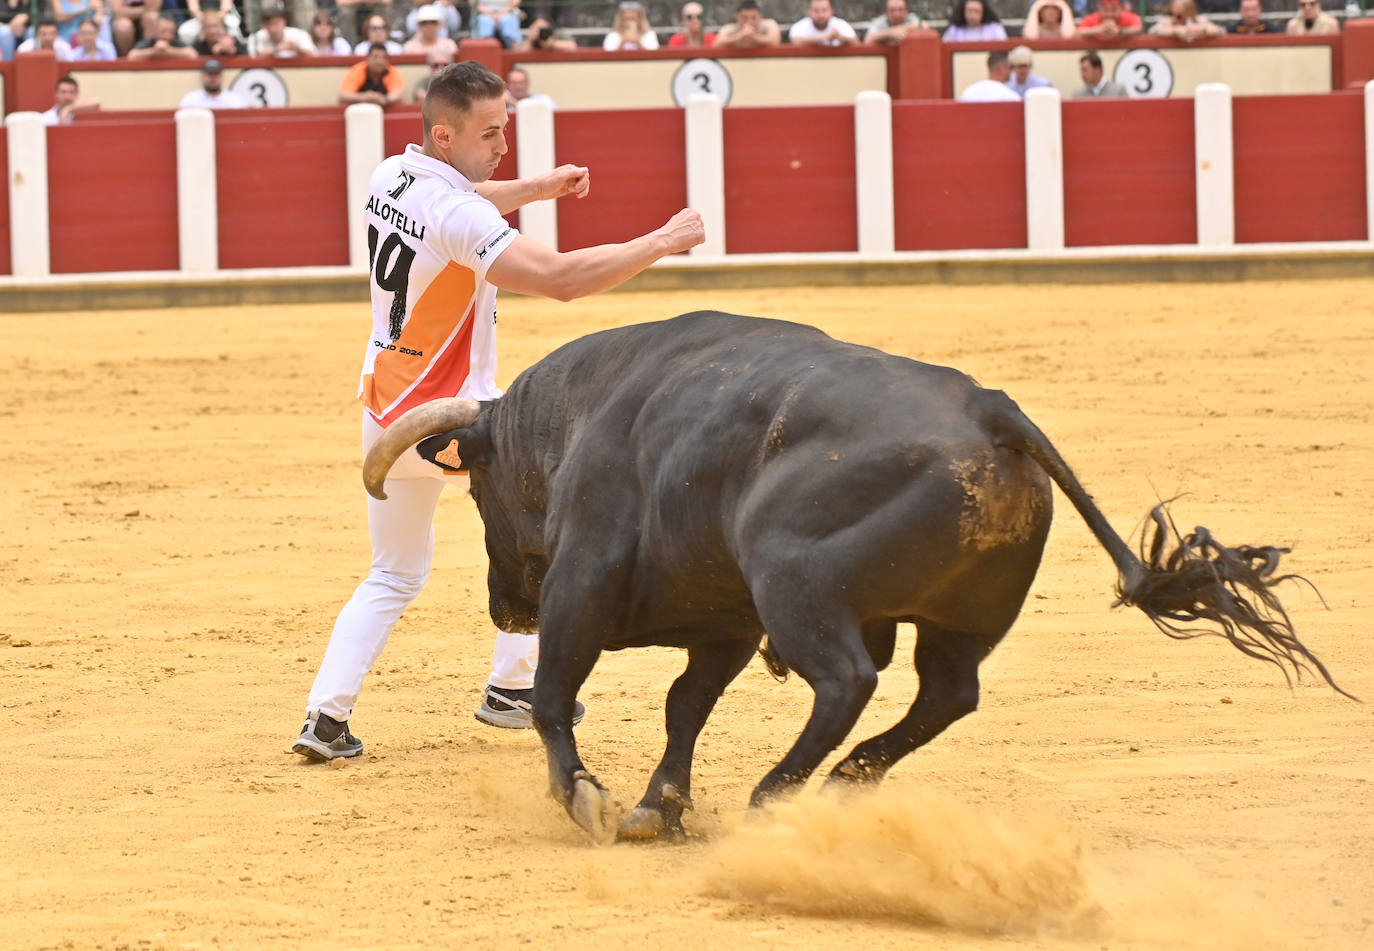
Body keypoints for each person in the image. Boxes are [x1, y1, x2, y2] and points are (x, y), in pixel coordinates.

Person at [291, 60, 705, 761]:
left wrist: (537, 189)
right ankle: (514, 687)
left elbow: (470, 193)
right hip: (456, 422)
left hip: (385, 409)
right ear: (447, 135)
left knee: (393, 572)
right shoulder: (461, 215)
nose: (503, 146)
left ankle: (324, 717)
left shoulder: (392, 174)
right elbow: (561, 279)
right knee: (545, 529)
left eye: (505, 130)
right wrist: (661, 242)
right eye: (491, 133)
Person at [339, 41, 404, 106]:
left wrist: (385, 99)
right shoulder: (358, 70)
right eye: (375, 57)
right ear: (367, 58)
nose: (379, 61)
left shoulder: (391, 71)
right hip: (359, 111)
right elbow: (343, 95)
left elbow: (399, 94)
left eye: (383, 57)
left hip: (385, 111)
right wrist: (364, 97)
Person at [249, 5, 316, 56]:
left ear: (284, 22)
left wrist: (297, 49)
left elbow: (313, 55)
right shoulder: (255, 37)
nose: (272, 28)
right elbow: (253, 57)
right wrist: (278, 48)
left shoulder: (299, 34)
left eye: (275, 23)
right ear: (262, 25)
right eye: (267, 24)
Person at [180, 58, 248, 108]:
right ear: (202, 77)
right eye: (209, 74)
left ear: (221, 77)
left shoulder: (236, 99)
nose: (213, 78)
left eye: (216, 74)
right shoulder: (190, 100)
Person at [128, 13, 198, 59]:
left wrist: (169, 51)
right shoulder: (149, 42)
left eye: (171, 32)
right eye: (163, 31)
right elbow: (132, 56)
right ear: (155, 31)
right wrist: (153, 52)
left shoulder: (175, 42)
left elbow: (193, 54)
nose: (167, 35)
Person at [789, 0, 859, 45]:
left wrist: (839, 37)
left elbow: (856, 43)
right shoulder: (800, 26)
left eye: (824, 10)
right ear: (809, 11)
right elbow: (795, 41)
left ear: (831, 11)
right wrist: (824, 37)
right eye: (816, 11)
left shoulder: (840, 24)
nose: (821, 15)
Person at [714, 0, 782, 46]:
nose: (749, 21)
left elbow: (775, 42)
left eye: (753, 17)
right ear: (737, 16)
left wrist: (754, 37)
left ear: (760, 16)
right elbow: (716, 44)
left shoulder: (769, 24)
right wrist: (739, 36)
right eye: (744, 18)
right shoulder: (729, 28)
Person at [1149, 0, 1223, 39]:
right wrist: (1175, 30)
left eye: (1179, 16)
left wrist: (1202, 30)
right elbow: (1152, 31)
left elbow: (1221, 31)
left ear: (1189, 15)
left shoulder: (1200, 20)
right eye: (1171, 13)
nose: (1174, 19)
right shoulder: (1167, 21)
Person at [942, 0, 1007, 40]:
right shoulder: (954, 30)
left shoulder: (995, 29)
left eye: (977, 11)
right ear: (963, 11)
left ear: (983, 12)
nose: (972, 16)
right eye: (969, 11)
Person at [1076, 0, 1143, 36]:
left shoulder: (1127, 16)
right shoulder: (1092, 18)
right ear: (1099, 8)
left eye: (1114, 10)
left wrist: (1120, 31)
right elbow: (1077, 32)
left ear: (1120, 8)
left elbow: (1138, 28)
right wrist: (1098, 29)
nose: (1109, 14)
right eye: (1105, 10)